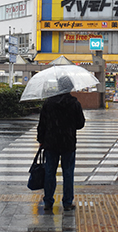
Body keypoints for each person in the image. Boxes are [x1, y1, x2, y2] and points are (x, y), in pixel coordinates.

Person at [36, 75, 85, 212]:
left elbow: (42, 124)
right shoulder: (74, 103)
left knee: (50, 172)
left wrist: (41, 140)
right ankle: (68, 202)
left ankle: (48, 201)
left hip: (51, 143)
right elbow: (80, 124)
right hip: (68, 143)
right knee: (68, 173)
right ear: (69, 87)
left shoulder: (49, 103)